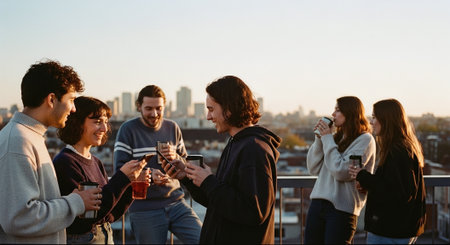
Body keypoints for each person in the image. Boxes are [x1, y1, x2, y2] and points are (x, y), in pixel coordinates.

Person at [163, 75, 281, 244]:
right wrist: (188, 178)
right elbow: (218, 202)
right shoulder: (237, 143)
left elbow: (254, 212)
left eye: (211, 109)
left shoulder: (253, 149)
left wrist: (209, 181)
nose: (208, 117)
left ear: (229, 108)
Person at [0, 60, 102, 244]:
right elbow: (19, 219)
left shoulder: (30, 137)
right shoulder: (18, 142)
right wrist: (76, 202)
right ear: (52, 99)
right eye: (71, 100)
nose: (74, 108)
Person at [53, 96, 148, 244]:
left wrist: (131, 185)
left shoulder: (95, 161)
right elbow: (89, 217)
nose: (104, 129)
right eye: (97, 122)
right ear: (77, 123)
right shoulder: (65, 162)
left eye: (105, 122)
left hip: (104, 234)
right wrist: (122, 177)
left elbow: (108, 214)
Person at [113, 85, 202, 244]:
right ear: (138, 107)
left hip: (176, 203)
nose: (154, 114)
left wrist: (177, 158)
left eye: (158, 108)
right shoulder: (128, 130)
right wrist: (149, 175)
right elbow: (120, 170)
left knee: (204, 239)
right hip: (144, 209)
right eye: (148, 108)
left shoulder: (172, 127)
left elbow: (186, 164)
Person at [349, 99, 426, 244]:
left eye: (374, 117)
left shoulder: (397, 151)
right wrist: (369, 185)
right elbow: (394, 185)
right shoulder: (405, 147)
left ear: (386, 120)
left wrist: (362, 176)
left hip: (390, 229)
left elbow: (398, 192)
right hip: (400, 228)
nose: (371, 122)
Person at [305, 96, 376, 244]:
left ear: (350, 113)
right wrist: (320, 139)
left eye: (338, 110)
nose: (333, 114)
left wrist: (327, 139)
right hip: (318, 204)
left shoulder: (365, 139)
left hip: (341, 210)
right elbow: (313, 168)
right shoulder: (335, 138)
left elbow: (341, 172)